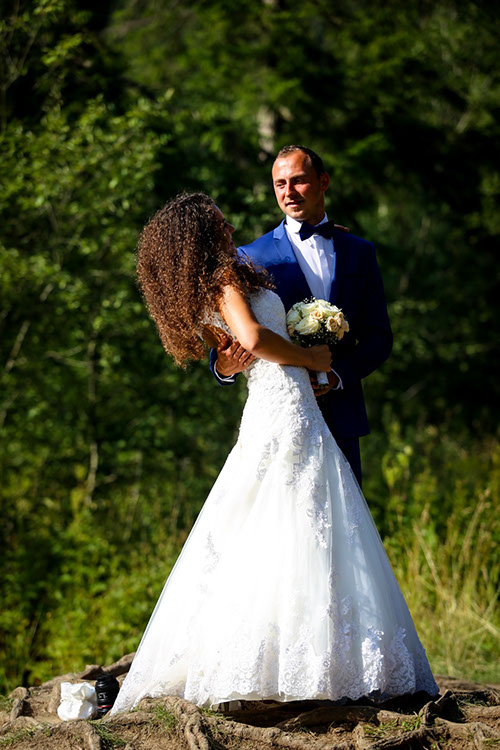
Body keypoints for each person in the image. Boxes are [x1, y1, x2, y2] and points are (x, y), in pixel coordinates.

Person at [111, 192, 437, 715]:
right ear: (202, 234)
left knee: (287, 523)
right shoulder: (224, 276)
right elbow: (250, 340)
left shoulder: (216, 277)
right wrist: (309, 356)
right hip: (283, 404)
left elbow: (240, 340)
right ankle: (299, 664)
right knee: (302, 519)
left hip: (286, 402)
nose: (230, 227)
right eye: (220, 222)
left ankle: (298, 660)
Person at [210, 145, 393, 485]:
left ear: (323, 182)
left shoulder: (360, 253)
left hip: (343, 415)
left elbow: (379, 337)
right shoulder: (248, 257)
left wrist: (336, 375)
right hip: (282, 421)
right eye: (280, 184)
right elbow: (229, 336)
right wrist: (223, 367)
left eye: (298, 181)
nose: (289, 192)